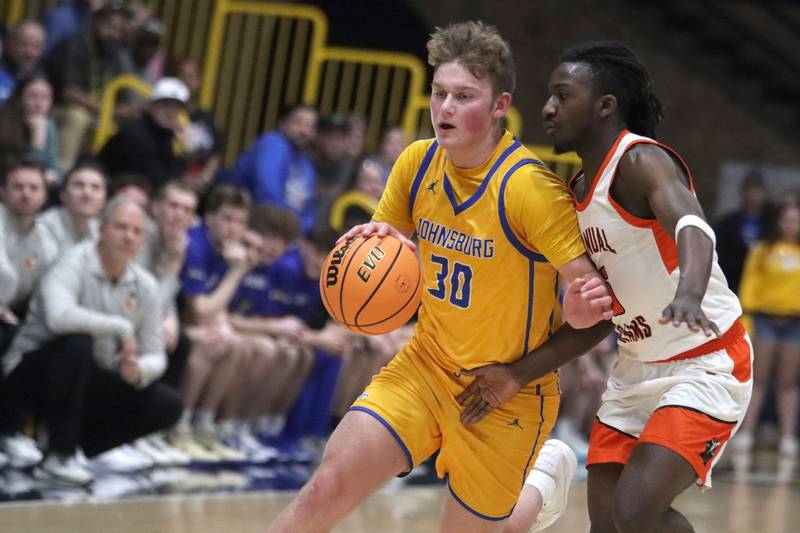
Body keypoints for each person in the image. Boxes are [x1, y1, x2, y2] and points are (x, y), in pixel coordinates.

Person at [267, 22, 612, 533]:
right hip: (425, 367)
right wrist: (364, 259)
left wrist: (525, 365)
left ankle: (539, 487)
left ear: (499, 106)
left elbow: (595, 315)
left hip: (507, 393)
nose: (445, 107)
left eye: (464, 96)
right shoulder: (415, 163)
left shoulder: (530, 192)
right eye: (439, 93)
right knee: (324, 490)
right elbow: (388, 262)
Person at [456, 42, 752, 533]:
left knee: (636, 513)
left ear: (605, 105)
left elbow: (694, 225)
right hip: (635, 368)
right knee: (608, 525)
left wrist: (690, 292)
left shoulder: (639, 161)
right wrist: (516, 374)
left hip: (706, 364)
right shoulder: (576, 192)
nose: (549, 107)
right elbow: (597, 321)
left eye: (563, 95)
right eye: (549, 96)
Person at [0, 197, 183, 485]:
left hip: (89, 379)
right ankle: (59, 456)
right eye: (121, 227)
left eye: (136, 231)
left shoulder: (144, 284)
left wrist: (138, 371)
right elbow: (59, 318)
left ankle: (74, 447)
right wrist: (120, 327)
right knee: (76, 343)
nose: (128, 236)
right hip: (28, 375)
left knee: (168, 404)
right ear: (102, 230)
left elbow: (156, 354)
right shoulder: (72, 261)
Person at [733, 202, 800, 457]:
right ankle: (747, 432)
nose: (791, 225)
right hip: (764, 319)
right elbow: (750, 283)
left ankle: (788, 437)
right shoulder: (763, 250)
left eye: (796, 220)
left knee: (788, 382)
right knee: (758, 379)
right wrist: (746, 317)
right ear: (779, 222)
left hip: (794, 323)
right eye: (788, 219)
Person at [231, 103, 318, 234]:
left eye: (310, 126)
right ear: (282, 123)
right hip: (254, 227)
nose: (304, 131)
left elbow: (308, 211)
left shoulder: (306, 164)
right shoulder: (273, 144)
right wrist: (286, 229)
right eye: (298, 123)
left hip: (284, 235)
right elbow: (267, 192)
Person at [98, 77, 189, 190]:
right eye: (165, 105)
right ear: (151, 105)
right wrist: (184, 156)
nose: (171, 112)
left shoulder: (163, 134)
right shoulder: (137, 135)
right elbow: (159, 183)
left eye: (176, 108)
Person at [715, 171, 773, 294]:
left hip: (763, 286)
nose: (753, 195)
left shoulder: (772, 224)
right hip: (732, 282)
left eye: (757, 190)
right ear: (742, 192)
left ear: (764, 193)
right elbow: (720, 253)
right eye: (749, 190)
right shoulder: (728, 222)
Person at [38, 160, 107, 252]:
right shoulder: (42, 227)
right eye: (79, 185)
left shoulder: (101, 231)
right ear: (63, 195)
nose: (87, 193)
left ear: (104, 201)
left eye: (95, 187)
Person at [0, 21, 46, 103]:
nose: (29, 52)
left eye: (36, 47)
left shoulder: (40, 78)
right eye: (24, 45)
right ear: (8, 43)